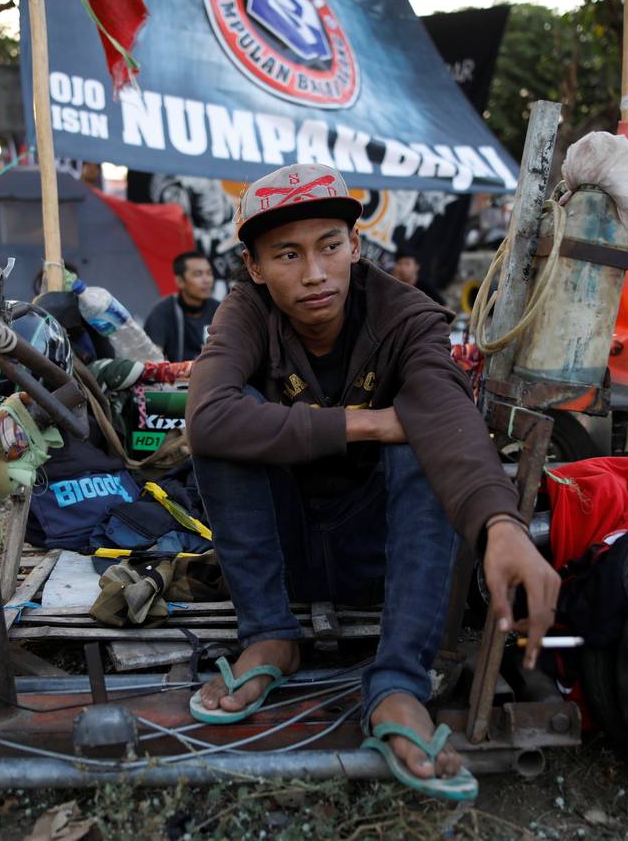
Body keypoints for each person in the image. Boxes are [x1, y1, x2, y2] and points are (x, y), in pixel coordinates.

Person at [185, 163, 560, 795]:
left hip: (381, 557)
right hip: (284, 550)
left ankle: (396, 684)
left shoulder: (406, 315)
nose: (313, 273)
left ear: (356, 247)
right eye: (287, 254)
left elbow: (444, 411)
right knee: (230, 426)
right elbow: (209, 419)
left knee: (422, 440)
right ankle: (271, 637)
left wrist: (501, 524)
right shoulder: (245, 313)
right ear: (253, 267)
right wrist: (366, 424)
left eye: (330, 246)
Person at [143, 251, 218, 362]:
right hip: (178, 377)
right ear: (180, 281)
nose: (206, 280)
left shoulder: (221, 309)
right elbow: (151, 360)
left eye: (209, 273)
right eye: (198, 274)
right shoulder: (162, 312)